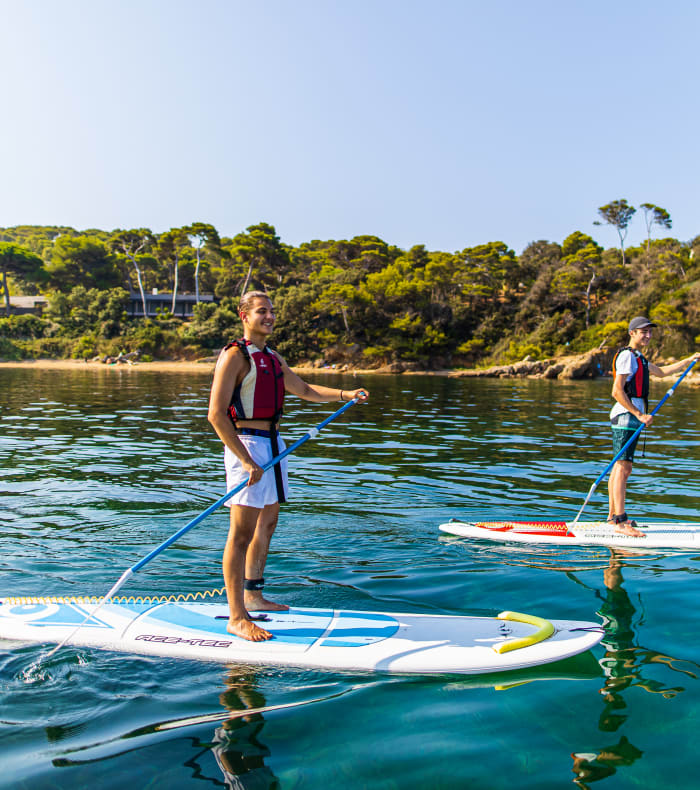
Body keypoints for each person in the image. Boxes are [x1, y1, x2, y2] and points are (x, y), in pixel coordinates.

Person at [208, 290, 369, 642]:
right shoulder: (235, 356)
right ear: (244, 316)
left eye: (272, 311)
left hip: (273, 447)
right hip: (246, 445)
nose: (269, 316)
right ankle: (237, 616)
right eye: (261, 311)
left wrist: (346, 395)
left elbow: (306, 389)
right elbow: (216, 415)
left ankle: (254, 593)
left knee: (268, 523)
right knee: (241, 533)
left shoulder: (272, 358)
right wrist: (245, 460)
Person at [607, 316, 700, 537]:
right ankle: (620, 522)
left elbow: (663, 372)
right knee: (623, 467)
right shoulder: (627, 357)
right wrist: (639, 414)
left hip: (629, 418)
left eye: (650, 332)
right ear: (632, 333)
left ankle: (613, 517)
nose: (647, 336)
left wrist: (690, 360)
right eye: (643, 332)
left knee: (620, 467)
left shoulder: (639, 358)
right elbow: (616, 391)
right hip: (626, 417)